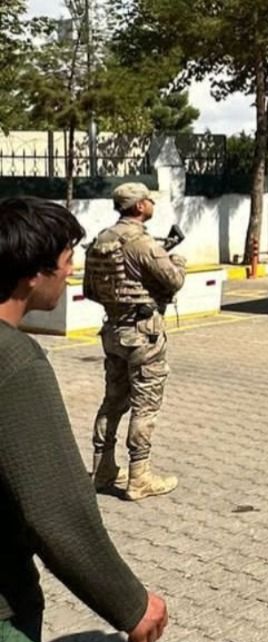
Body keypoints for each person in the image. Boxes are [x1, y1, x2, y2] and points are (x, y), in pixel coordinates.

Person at [0, 196, 169, 642]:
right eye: (65, 258)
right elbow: (55, 509)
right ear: (33, 271)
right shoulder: (13, 362)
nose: (72, 269)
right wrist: (129, 603)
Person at [83, 182, 186, 501]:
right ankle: (139, 476)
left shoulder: (102, 240)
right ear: (140, 206)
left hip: (113, 330)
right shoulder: (142, 243)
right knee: (145, 403)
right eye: (149, 200)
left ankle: (102, 469)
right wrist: (178, 261)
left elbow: (89, 289)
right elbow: (174, 280)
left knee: (113, 400)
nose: (152, 203)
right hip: (143, 334)